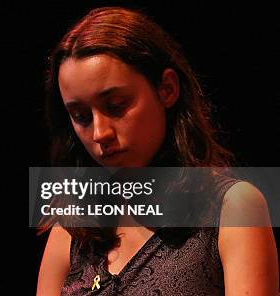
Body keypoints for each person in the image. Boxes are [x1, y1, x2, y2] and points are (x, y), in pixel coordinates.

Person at [36, 7, 278, 295]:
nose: (100, 133)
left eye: (116, 106)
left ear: (167, 89)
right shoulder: (72, 230)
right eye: (81, 116)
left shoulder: (231, 208)